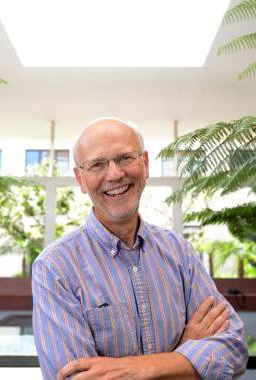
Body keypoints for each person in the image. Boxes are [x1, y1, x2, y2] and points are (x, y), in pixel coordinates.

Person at [32, 117, 248, 379]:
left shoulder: (179, 252)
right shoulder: (55, 268)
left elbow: (234, 349)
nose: (114, 174)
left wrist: (140, 369)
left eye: (124, 158)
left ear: (145, 164)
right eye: (97, 164)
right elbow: (73, 377)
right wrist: (184, 354)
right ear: (80, 178)